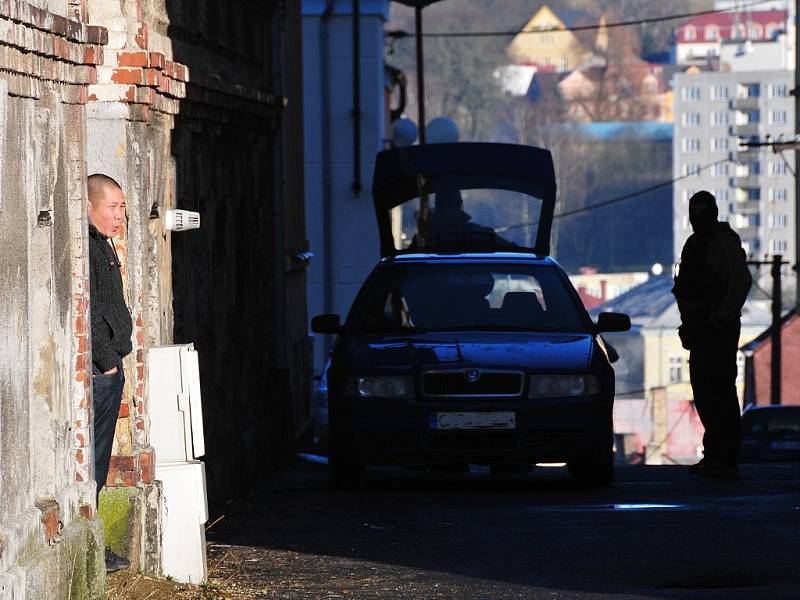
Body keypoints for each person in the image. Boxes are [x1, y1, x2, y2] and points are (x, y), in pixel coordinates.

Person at [672, 191, 752, 478]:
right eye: (695, 212)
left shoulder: (723, 243)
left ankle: (724, 455)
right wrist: (689, 323)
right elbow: (685, 288)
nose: (698, 218)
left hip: (718, 329)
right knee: (705, 392)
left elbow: (740, 282)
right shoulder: (694, 244)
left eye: (703, 212)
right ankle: (715, 453)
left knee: (719, 391)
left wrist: (719, 318)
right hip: (701, 328)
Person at [87, 174, 133, 571]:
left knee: (100, 461)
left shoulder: (103, 245)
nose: (120, 215)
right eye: (112, 207)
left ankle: (98, 545)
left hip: (109, 367)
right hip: (101, 373)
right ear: (89, 207)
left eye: (122, 207)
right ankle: (94, 547)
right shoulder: (86, 246)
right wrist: (106, 360)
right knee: (95, 461)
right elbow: (87, 308)